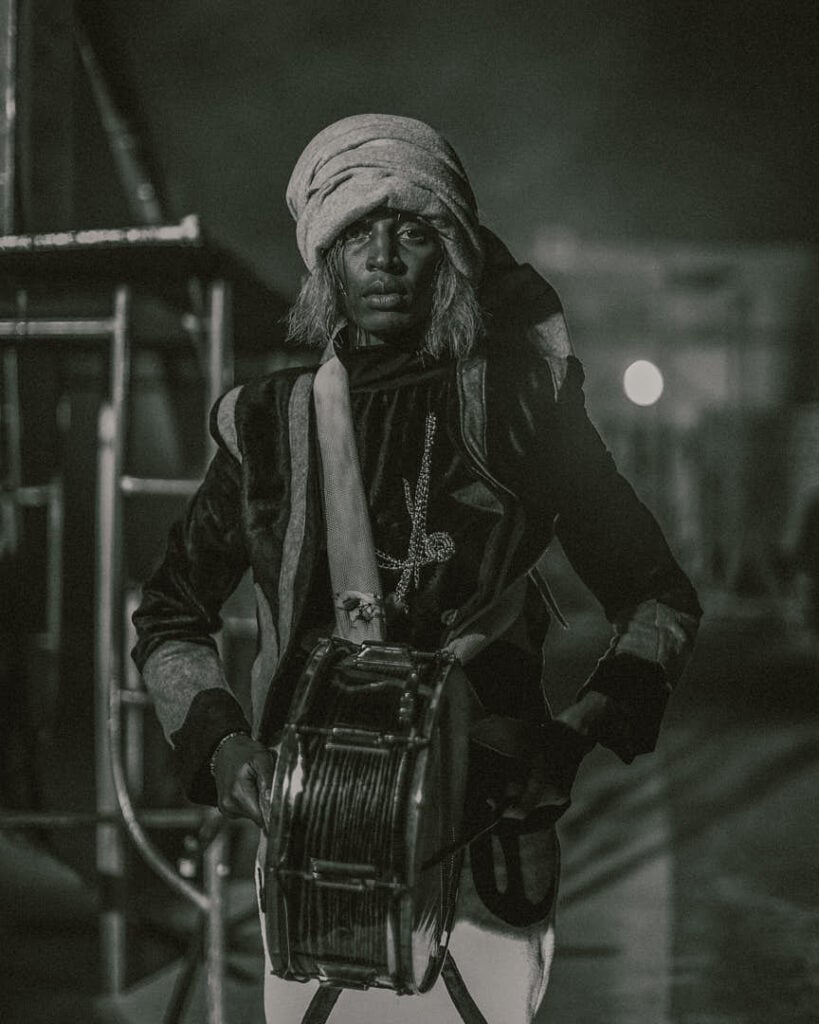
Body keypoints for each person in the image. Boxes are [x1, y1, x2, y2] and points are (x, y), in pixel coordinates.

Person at [132, 114, 702, 1023]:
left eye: (412, 231)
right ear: (326, 259)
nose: (384, 258)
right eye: (357, 232)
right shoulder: (265, 425)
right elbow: (169, 615)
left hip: (488, 845)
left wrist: (572, 738)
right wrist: (222, 743)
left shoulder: (521, 408)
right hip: (316, 849)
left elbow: (657, 597)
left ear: (452, 253)